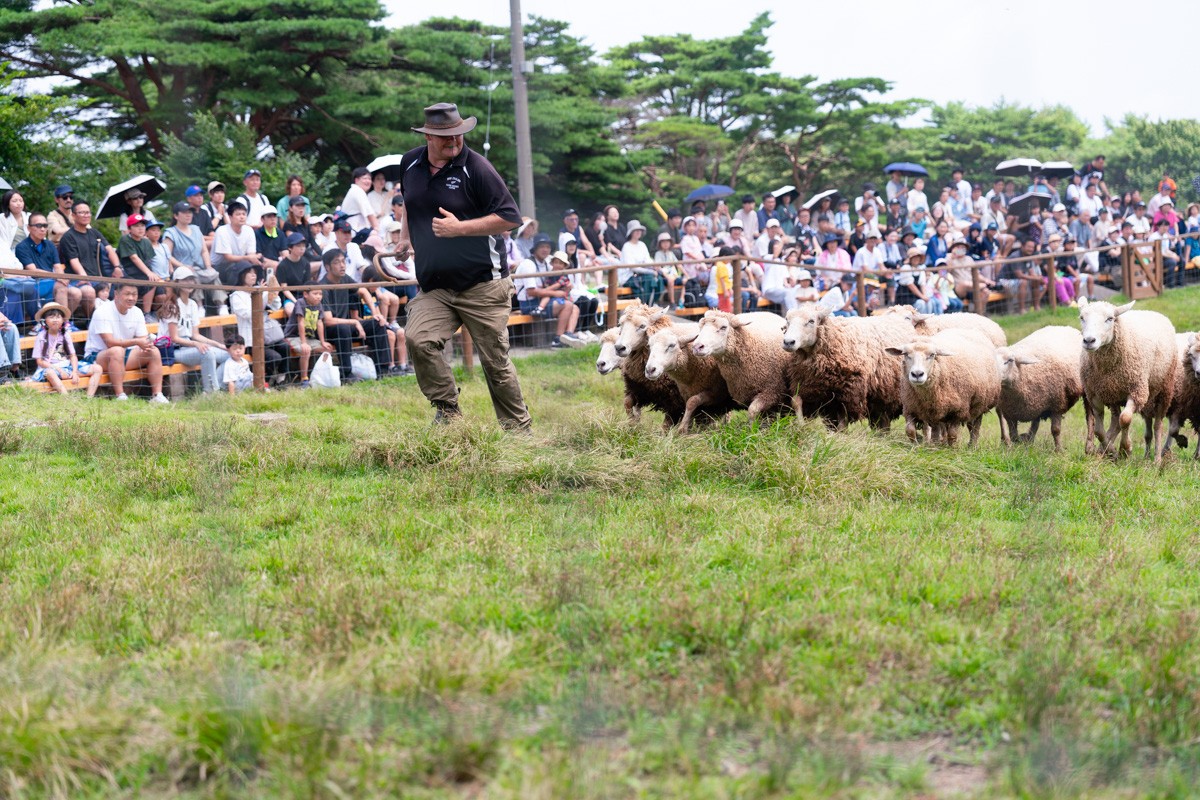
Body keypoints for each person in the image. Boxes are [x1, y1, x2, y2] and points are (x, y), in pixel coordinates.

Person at [392, 102, 530, 427]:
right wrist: (404, 239)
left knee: (495, 363)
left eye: (459, 134)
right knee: (419, 340)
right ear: (428, 136)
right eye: (446, 137)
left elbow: (511, 218)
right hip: (435, 285)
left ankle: (519, 432)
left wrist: (460, 229)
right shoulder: (409, 162)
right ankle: (448, 412)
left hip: (484, 283)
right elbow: (411, 204)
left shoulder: (477, 168)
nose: (455, 142)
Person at [82, 282, 168, 403]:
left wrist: (147, 343)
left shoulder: (137, 312)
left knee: (153, 351)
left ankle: (157, 395)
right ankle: (120, 395)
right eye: (127, 294)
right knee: (116, 351)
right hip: (97, 357)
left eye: (134, 294)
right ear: (116, 294)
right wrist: (137, 341)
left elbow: (143, 338)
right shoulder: (102, 311)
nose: (131, 298)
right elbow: (110, 343)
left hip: (123, 354)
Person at [319, 249, 392, 382]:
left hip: (347, 325)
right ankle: (347, 374)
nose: (342, 265)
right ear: (327, 267)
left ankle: (383, 370)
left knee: (377, 324)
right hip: (330, 330)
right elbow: (328, 321)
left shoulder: (345, 279)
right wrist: (354, 322)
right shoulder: (323, 287)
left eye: (343, 261)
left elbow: (364, 290)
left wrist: (376, 313)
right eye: (337, 262)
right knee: (343, 328)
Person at [161, 267, 230, 393]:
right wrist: (196, 344)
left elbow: (196, 335)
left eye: (191, 279)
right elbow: (174, 338)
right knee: (207, 354)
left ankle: (216, 388)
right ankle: (211, 392)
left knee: (227, 355)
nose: (190, 283)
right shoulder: (172, 305)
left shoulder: (192, 304)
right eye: (185, 280)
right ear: (177, 283)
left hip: (189, 346)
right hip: (174, 349)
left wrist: (218, 344)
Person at [514, 234, 584, 348]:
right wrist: (556, 293)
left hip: (542, 300)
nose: (545, 249)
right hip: (529, 304)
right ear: (535, 249)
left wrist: (567, 285)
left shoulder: (547, 262)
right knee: (567, 305)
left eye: (547, 247)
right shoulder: (528, 264)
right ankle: (558, 339)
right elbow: (531, 292)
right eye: (541, 246)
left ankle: (568, 335)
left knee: (575, 307)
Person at [59, 201, 120, 319]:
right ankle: (90, 321)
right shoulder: (68, 236)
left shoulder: (94, 233)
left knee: (122, 289)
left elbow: (109, 249)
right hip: (78, 279)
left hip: (98, 277)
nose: (86, 215)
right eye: (81, 212)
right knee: (89, 292)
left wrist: (117, 267)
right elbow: (73, 260)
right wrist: (84, 277)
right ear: (73, 215)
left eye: (87, 212)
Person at [16, 213, 75, 313]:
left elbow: (57, 266)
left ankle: (63, 321)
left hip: (52, 280)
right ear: (29, 228)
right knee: (61, 287)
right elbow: (33, 271)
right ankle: (64, 325)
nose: (43, 229)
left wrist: (62, 277)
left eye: (45, 226)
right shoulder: (22, 247)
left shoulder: (50, 245)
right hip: (35, 283)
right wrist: (57, 277)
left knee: (76, 293)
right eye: (38, 226)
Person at [209, 199, 259, 313]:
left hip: (240, 264)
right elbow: (228, 257)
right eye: (238, 214)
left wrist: (255, 259)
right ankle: (233, 304)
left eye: (243, 214)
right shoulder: (222, 231)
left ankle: (257, 301)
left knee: (257, 267)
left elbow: (251, 254)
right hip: (219, 267)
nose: (241, 217)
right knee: (236, 268)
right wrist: (248, 258)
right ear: (230, 217)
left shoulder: (249, 230)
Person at [30, 302, 90, 394]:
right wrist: (58, 369)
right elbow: (40, 362)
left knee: (97, 369)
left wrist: (74, 371)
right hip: (50, 368)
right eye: (51, 317)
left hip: (67, 367)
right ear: (44, 320)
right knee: (50, 373)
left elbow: (73, 356)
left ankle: (89, 396)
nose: (55, 320)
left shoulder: (65, 335)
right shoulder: (41, 336)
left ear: (63, 320)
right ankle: (65, 396)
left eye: (58, 317)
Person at [282, 286, 329, 387]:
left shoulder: (319, 305)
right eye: (315, 294)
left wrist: (323, 341)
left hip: (308, 337)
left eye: (320, 294)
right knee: (306, 350)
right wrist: (303, 343)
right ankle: (304, 379)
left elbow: (319, 323)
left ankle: (318, 375)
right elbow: (301, 322)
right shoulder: (301, 303)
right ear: (305, 294)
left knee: (326, 349)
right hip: (293, 336)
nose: (318, 297)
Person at [117, 213, 161, 315]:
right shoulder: (126, 239)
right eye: (136, 226)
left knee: (163, 291)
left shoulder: (146, 242)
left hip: (143, 273)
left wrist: (156, 274)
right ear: (129, 229)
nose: (140, 229)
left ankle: (157, 314)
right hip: (129, 273)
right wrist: (149, 273)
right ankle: (146, 313)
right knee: (150, 281)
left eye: (142, 225)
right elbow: (134, 258)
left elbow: (150, 261)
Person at [340, 166, 380, 245]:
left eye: (369, 179)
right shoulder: (357, 191)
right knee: (375, 238)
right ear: (356, 180)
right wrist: (377, 230)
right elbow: (370, 215)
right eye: (365, 178)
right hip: (353, 230)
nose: (368, 181)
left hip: (356, 229)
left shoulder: (356, 191)